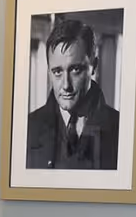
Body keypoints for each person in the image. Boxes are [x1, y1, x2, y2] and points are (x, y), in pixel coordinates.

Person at [25, 17, 120, 170]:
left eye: (75, 70)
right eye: (57, 72)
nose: (66, 85)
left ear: (93, 66)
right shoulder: (28, 129)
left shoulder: (121, 130)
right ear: (49, 71)